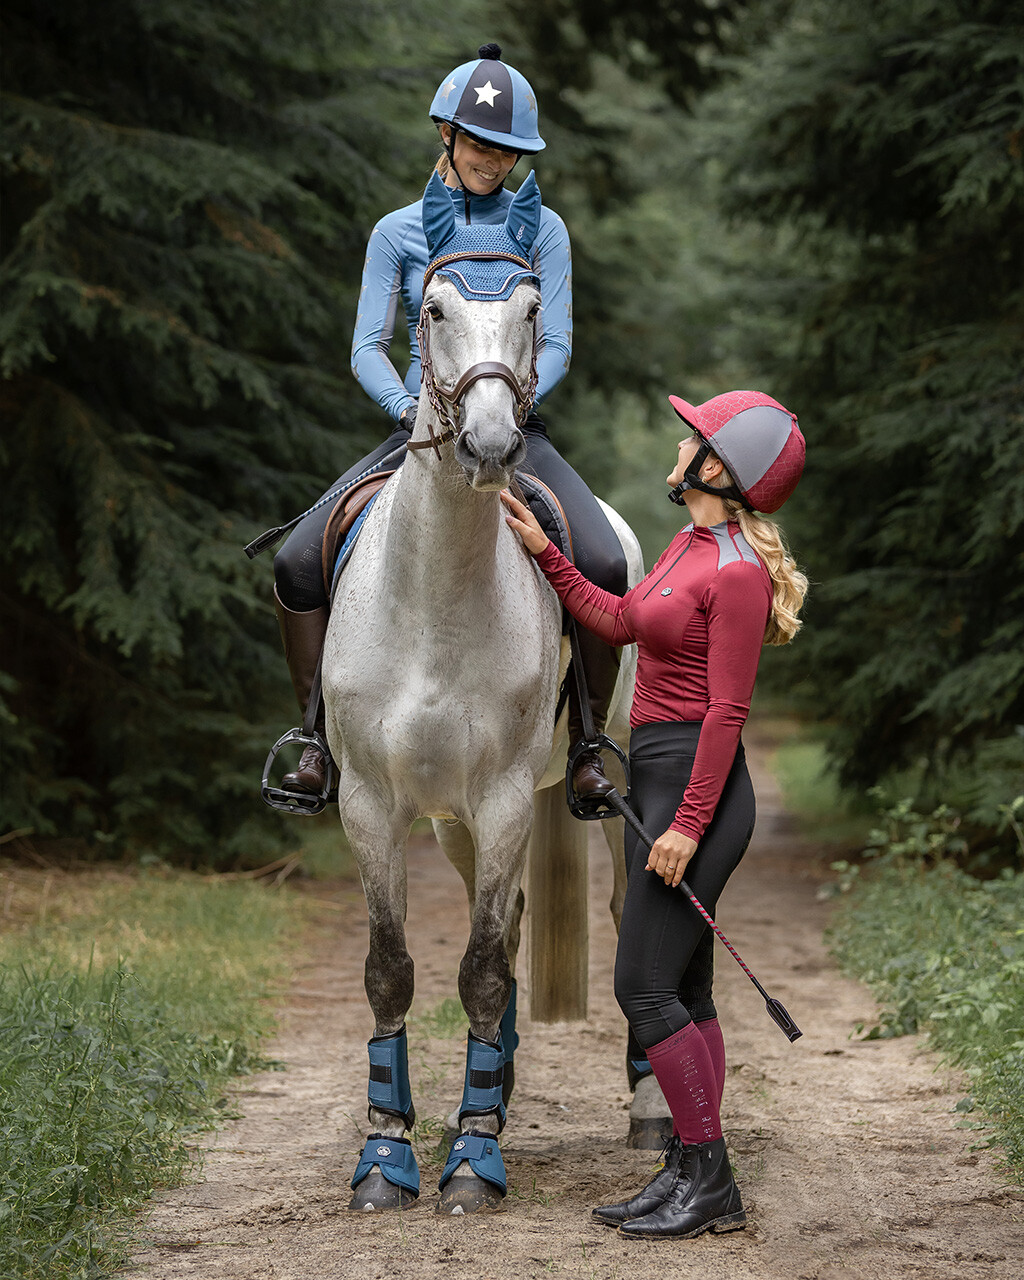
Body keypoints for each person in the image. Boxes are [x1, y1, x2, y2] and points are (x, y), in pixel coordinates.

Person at [271, 44, 627, 797]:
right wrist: (409, 411)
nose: (491, 159)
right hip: (422, 429)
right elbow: (367, 347)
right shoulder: (398, 231)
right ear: (446, 133)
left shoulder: (543, 230)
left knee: (603, 561)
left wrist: (513, 405)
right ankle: (316, 741)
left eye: (506, 148)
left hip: (515, 428)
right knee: (297, 558)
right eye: (477, 141)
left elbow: (557, 343)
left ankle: (589, 747)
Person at [501, 389, 808, 1239]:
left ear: (719, 468)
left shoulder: (736, 570)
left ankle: (712, 1182)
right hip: (660, 777)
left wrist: (686, 826)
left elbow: (728, 712)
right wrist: (545, 555)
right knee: (685, 987)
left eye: (692, 437)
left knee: (640, 986)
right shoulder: (687, 544)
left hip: (698, 794)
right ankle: (688, 1166)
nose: (679, 446)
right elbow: (619, 620)